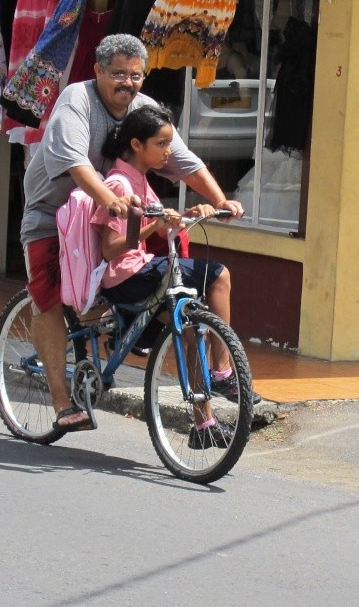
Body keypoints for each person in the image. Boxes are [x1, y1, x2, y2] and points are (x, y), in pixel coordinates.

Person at [20, 33, 245, 433]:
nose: (128, 83)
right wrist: (110, 199)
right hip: (56, 217)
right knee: (48, 299)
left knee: (182, 294)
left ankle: (201, 417)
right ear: (98, 71)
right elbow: (76, 163)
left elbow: (185, 162)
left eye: (136, 75)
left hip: (121, 215)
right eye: (118, 74)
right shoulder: (77, 100)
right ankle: (61, 402)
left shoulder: (144, 109)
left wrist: (221, 201)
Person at [91, 104, 257, 447]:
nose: (169, 152)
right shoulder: (119, 183)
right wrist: (156, 223)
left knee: (192, 327)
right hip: (127, 276)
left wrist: (194, 212)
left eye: (169, 143)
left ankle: (203, 425)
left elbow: (163, 223)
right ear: (137, 145)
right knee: (219, 276)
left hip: (145, 270)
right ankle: (223, 371)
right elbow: (110, 250)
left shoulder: (141, 180)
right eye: (162, 144)